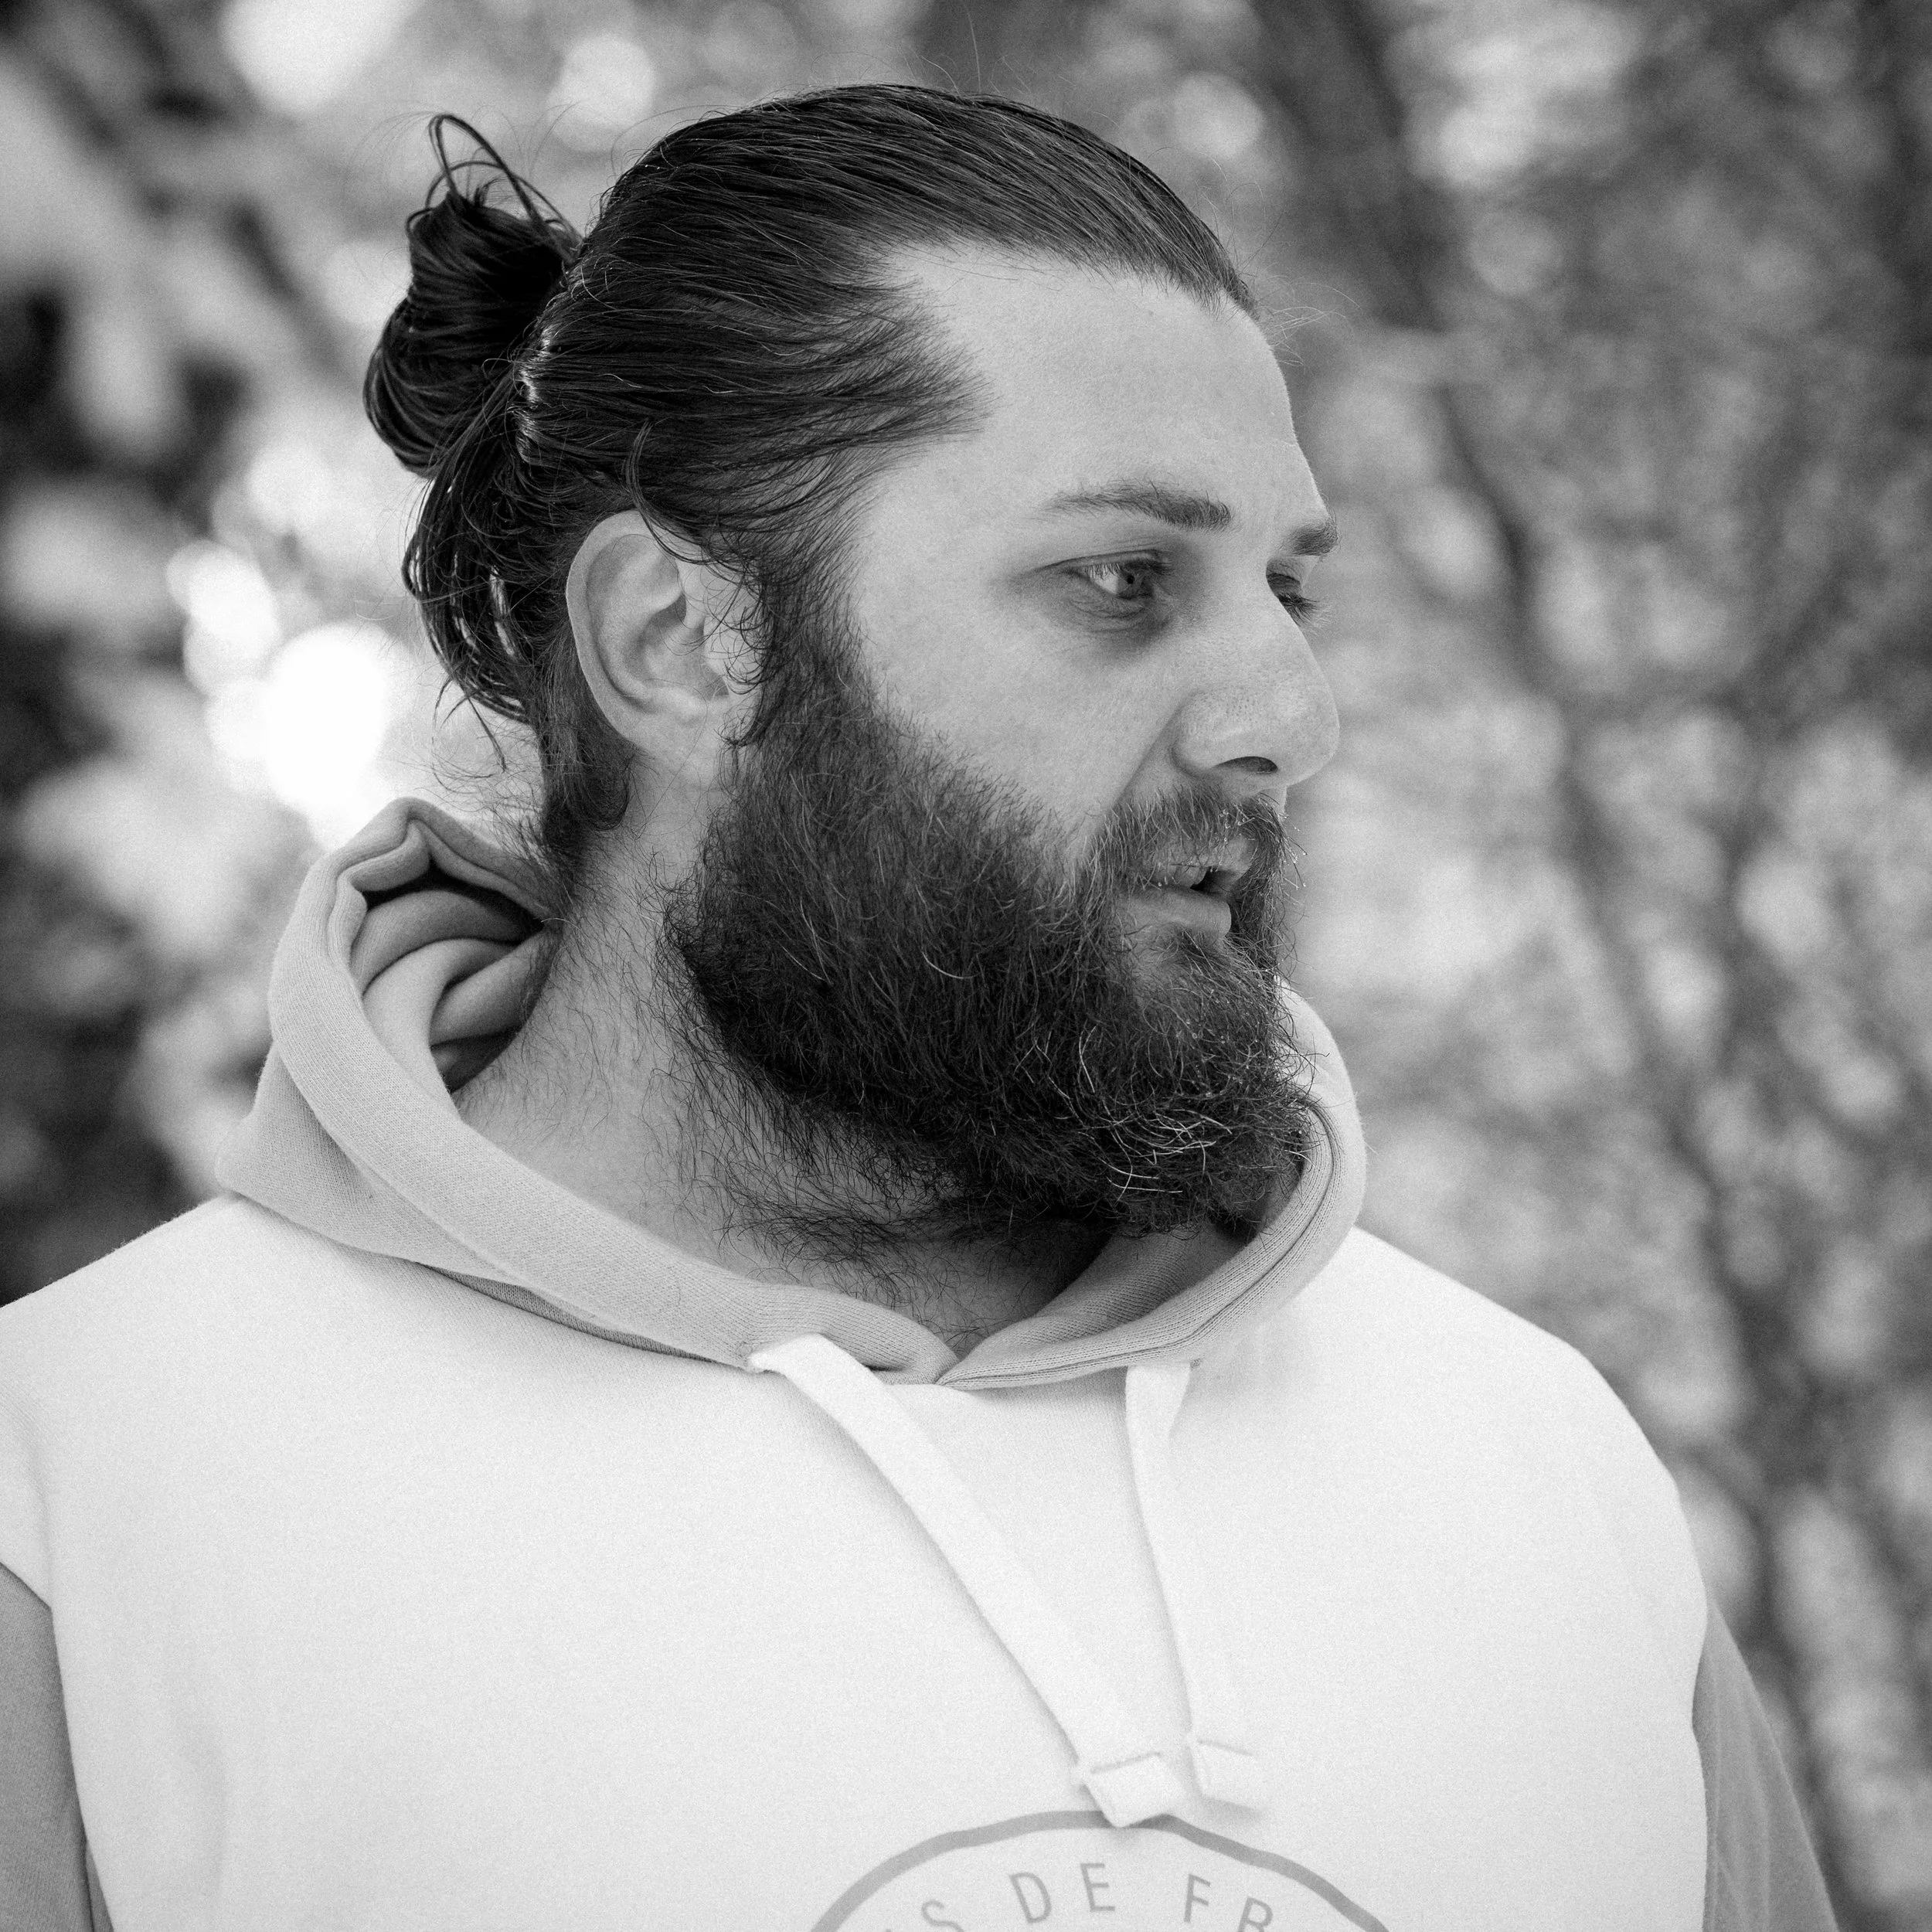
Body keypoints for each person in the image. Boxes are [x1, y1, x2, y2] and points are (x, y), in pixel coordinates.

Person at [0, 85, 1835, 1932]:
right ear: (680, 643)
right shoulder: (86, 1508)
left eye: (1284, 589)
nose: (1290, 713)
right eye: (1121, 579)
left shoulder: (1537, 1472)